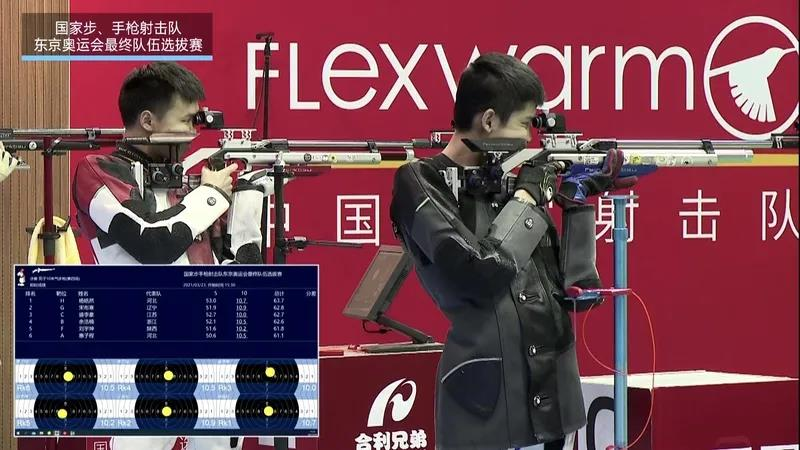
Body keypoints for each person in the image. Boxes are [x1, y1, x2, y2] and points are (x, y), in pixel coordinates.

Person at [389, 53, 636, 450]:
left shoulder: (511, 181)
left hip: (554, 405)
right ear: (488, 121)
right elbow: (479, 271)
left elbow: (575, 292)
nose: (528, 139)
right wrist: (527, 198)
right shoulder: (420, 180)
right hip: (486, 407)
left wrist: (575, 200)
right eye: (524, 123)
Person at [72, 62, 271, 450]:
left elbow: (228, 268)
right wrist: (211, 195)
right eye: (185, 121)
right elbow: (153, 243)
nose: (194, 133)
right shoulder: (98, 171)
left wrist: (247, 206)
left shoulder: (187, 182)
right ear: (148, 121)